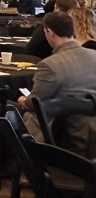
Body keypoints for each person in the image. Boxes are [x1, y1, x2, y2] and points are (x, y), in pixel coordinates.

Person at [17, 12, 96, 155]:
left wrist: (22, 100)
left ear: (49, 32)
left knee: (23, 110)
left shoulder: (49, 65)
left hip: (68, 129)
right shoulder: (94, 55)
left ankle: (25, 162)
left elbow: (35, 103)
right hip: (90, 129)